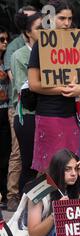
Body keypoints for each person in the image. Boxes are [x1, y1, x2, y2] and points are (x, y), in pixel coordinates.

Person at [28, 0, 80, 173]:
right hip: (49, 115)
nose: (66, 23)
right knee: (48, 169)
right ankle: (35, 201)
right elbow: (34, 84)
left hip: (72, 115)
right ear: (51, 19)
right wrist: (63, 89)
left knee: (70, 167)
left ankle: (64, 201)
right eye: (61, 18)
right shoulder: (40, 46)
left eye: (69, 19)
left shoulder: (77, 44)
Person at [3, 5, 37, 212]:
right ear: (26, 27)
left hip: (41, 111)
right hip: (20, 109)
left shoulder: (47, 48)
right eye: (34, 22)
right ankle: (13, 196)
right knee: (20, 154)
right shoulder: (16, 49)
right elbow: (20, 84)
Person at [11, 10, 42, 193]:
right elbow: (26, 92)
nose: (45, 32)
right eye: (39, 29)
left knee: (48, 167)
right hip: (28, 116)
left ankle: (42, 211)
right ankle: (24, 214)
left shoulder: (52, 52)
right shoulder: (19, 55)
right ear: (27, 32)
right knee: (30, 167)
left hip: (48, 115)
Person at [0, 26, 10, 210]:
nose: (5, 43)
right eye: (1, 39)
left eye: (6, 39)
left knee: (5, 155)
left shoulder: (6, 60)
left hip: (5, 110)